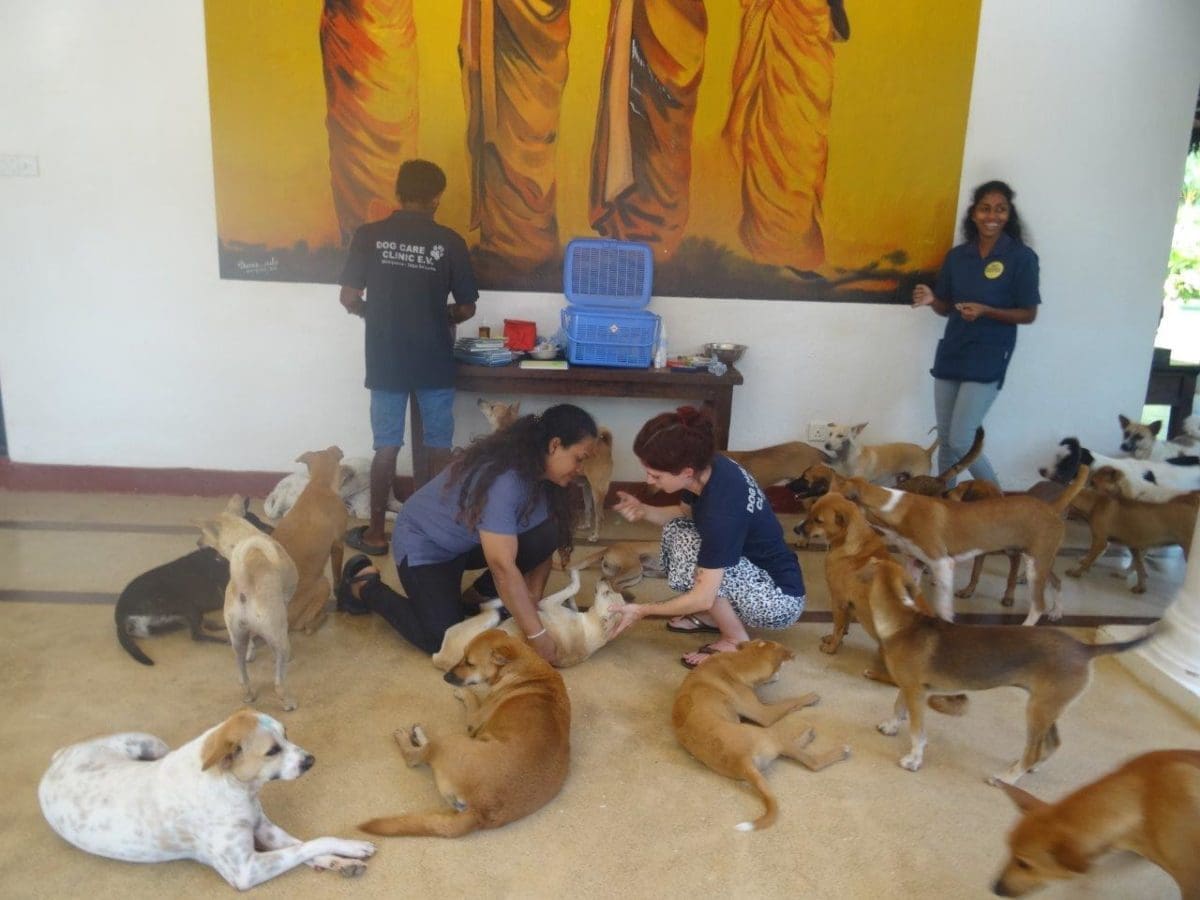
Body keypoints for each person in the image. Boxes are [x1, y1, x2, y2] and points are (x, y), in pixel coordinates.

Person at [335, 403, 600, 665]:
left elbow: (544, 544)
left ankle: (476, 597)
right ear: (554, 445)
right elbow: (502, 568)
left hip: (466, 542)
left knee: (547, 532)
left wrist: (534, 608)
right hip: (426, 544)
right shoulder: (505, 481)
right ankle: (364, 586)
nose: (581, 469)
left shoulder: (548, 481)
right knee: (441, 637)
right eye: (579, 458)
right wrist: (538, 636)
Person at [338, 158, 480, 556]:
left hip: (384, 357)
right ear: (437, 198)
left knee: (386, 446)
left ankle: (376, 535)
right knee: (438, 446)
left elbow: (349, 298)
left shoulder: (369, 235)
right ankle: (434, 531)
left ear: (398, 193)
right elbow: (466, 307)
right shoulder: (450, 242)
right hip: (433, 355)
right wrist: (441, 315)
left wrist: (373, 315)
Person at [607, 406, 806, 668]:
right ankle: (716, 617)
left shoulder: (721, 513)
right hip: (757, 571)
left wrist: (642, 610)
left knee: (690, 546)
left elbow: (701, 596)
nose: (649, 480)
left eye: (656, 475)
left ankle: (735, 639)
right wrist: (644, 510)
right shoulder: (710, 467)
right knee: (681, 530)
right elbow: (683, 513)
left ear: (686, 471)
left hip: (778, 600)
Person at [912, 180, 1040, 485]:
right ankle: (944, 508)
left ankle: (997, 500)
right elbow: (945, 307)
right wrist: (932, 300)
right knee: (946, 440)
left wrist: (987, 311)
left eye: (1000, 209)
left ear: (1009, 215)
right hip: (953, 351)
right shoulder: (958, 257)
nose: (991, 216)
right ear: (973, 213)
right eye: (985, 208)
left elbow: (1029, 313)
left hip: (989, 354)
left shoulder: (1021, 258)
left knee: (960, 440)